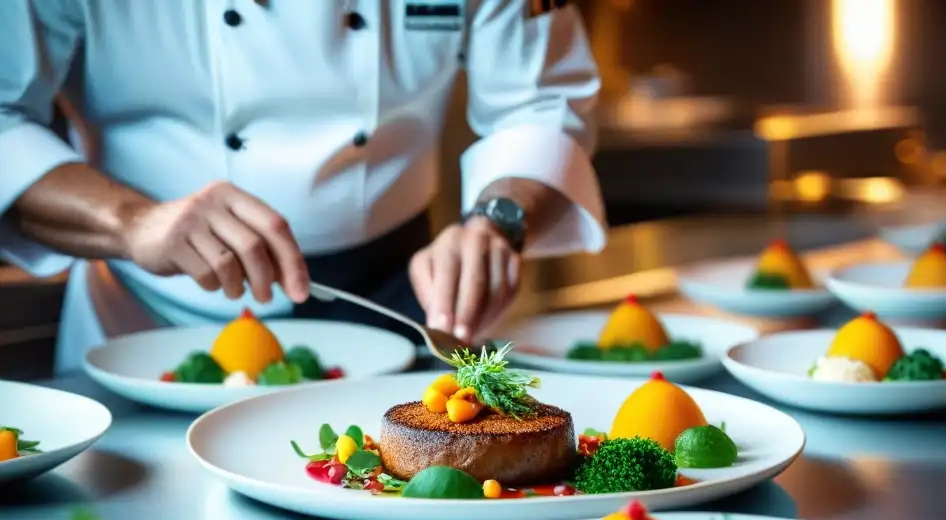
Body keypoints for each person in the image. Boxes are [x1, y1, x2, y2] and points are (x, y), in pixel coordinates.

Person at [0, 0, 607, 374]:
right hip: (149, 323)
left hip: (401, 312)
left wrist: (497, 220)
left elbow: (542, 100)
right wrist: (132, 222)